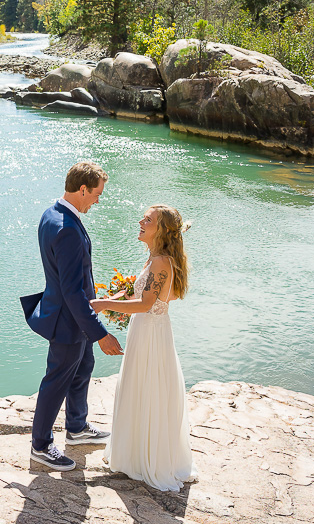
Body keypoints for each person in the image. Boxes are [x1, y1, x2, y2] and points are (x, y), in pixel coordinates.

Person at [21, 162, 123, 471]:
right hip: (68, 322)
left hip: (72, 317)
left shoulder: (52, 214)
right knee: (56, 381)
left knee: (84, 367)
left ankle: (76, 428)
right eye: (96, 195)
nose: (97, 201)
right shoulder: (67, 229)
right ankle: (40, 445)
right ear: (82, 190)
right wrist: (100, 333)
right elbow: (72, 292)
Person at [90, 205, 197, 491]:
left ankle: (143, 459)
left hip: (150, 332)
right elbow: (151, 294)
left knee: (146, 388)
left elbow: (146, 304)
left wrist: (104, 304)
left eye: (147, 220)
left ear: (160, 230)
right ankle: (137, 455)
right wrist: (123, 293)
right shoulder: (157, 257)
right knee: (144, 388)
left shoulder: (161, 261)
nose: (141, 221)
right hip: (150, 330)